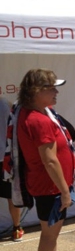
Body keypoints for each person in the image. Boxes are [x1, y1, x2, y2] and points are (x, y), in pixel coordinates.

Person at [16, 69, 75, 251]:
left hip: (45, 184)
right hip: (50, 187)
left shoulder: (33, 113)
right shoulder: (39, 121)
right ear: (36, 91)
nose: (56, 92)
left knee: (50, 233)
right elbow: (50, 161)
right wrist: (64, 191)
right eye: (51, 88)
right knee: (50, 235)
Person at [0, 97, 23, 241]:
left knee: (11, 195)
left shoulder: (7, 103)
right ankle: (17, 228)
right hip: (6, 156)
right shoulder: (7, 103)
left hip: (6, 157)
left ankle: (17, 228)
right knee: (11, 195)